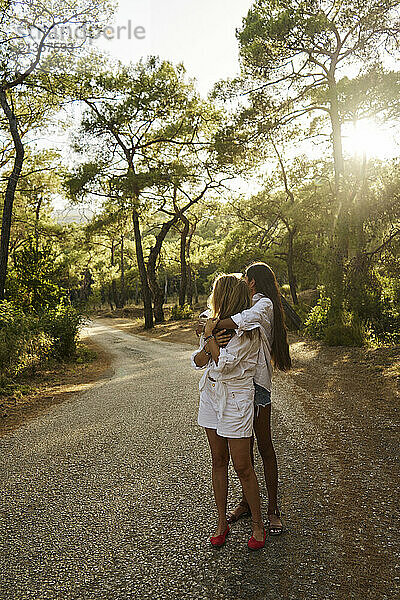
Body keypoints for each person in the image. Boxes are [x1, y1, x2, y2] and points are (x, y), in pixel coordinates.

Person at [215, 262, 291, 535]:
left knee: (265, 447)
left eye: (246, 278)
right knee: (243, 455)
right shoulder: (246, 302)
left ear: (253, 281)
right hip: (239, 387)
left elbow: (243, 321)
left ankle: (272, 509)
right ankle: (247, 503)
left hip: (257, 386)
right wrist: (206, 324)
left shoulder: (264, 304)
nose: (243, 282)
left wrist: (211, 325)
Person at [191, 274, 266, 550]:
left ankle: (258, 524)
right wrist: (208, 343)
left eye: (217, 293)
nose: (213, 297)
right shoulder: (214, 324)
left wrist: (210, 336)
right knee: (218, 460)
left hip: (236, 399)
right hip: (211, 396)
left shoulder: (247, 331)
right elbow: (199, 360)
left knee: (242, 465)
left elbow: (224, 365)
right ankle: (222, 523)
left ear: (226, 296)